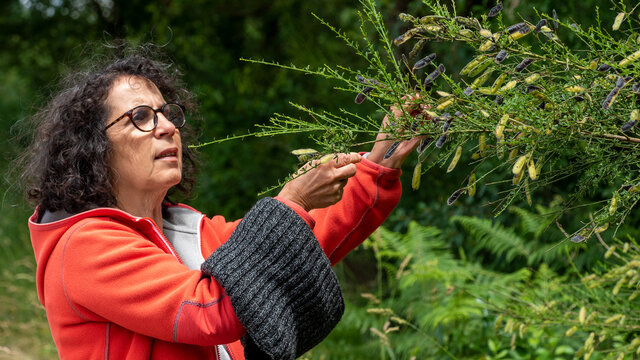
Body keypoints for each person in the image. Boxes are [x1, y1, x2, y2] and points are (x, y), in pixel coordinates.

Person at [23, 48, 422, 360]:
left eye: (167, 114)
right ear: (94, 147)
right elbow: (212, 309)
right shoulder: (84, 247)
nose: (166, 127)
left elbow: (302, 243)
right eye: (141, 117)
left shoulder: (188, 230)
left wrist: (375, 164)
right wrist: (291, 201)